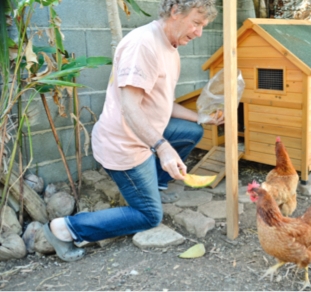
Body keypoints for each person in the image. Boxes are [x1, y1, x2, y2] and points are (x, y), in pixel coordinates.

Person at [42, 0, 222, 262]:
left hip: (146, 132)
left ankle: (155, 183)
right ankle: (64, 229)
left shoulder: (170, 46)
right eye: (196, 23)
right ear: (175, 12)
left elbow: (161, 103)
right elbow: (130, 107)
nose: (199, 32)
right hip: (124, 143)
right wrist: (163, 148)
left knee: (192, 131)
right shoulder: (143, 45)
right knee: (149, 216)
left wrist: (201, 118)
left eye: (203, 26)